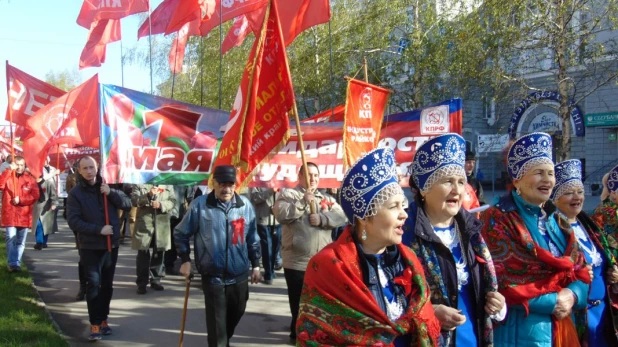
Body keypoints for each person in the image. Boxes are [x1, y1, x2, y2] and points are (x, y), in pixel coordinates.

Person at [296, 148, 440, 346]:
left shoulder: (409, 260)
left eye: (403, 205)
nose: (404, 214)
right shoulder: (328, 266)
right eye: (393, 207)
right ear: (364, 217)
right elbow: (313, 337)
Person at [480, 132, 590, 346]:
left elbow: (581, 270)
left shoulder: (557, 220)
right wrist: (554, 301)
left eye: (550, 173)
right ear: (517, 179)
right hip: (520, 330)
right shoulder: (497, 218)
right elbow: (502, 281)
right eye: (539, 173)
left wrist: (572, 296)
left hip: (563, 328)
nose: (547, 180)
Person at [403, 133, 506, 346]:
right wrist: (429, 313)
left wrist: (497, 305)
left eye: (461, 181)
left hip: (473, 337)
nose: (457, 189)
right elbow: (391, 297)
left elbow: (484, 287)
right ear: (424, 188)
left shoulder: (471, 232)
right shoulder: (404, 233)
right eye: (447, 181)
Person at [175, 165, 261, 347]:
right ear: (213, 183)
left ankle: (223, 339)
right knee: (216, 327)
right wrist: (185, 260)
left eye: (230, 184)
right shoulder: (200, 205)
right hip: (213, 277)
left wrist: (256, 265)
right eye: (222, 184)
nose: (226, 189)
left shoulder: (245, 206)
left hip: (239, 276)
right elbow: (180, 233)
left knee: (235, 314)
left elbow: (253, 237)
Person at [273, 162, 348, 343]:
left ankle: (315, 333)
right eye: (308, 175)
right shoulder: (289, 195)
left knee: (319, 301)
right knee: (298, 301)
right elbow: (281, 214)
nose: (312, 178)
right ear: (300, 177)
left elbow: (341, 216)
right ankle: (298, 334)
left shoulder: (325, 198)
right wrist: (302, 202)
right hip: (297, 261)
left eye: (315, 175)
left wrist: (322, 218)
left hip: (322, 260)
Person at [549, 159, 618, 345]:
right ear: (555, 198)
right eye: (569, 193)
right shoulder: (553, 229)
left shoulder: (588, 225)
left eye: (580, 192)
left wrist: (612, 272)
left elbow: (607, 258)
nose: (577, 197)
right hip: (576, 315)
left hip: (602, 313)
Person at [67, 156, 131, 341]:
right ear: (79, 171)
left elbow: (127, 203)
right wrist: (98, 230)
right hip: (90, 246)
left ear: (97, 168)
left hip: (111, 245)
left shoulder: (107, 187)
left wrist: (111, 192)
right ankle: (95, 323)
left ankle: (104, 319)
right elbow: (73, 221)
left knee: (107, 285)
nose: (89, 171)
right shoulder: (76, 193)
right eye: (85, 168)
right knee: (93, 284)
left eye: (91, 167)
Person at [131, 184, 176, 294]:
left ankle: (156, 279)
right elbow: (134, 200)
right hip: (144, 223)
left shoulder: (168, 184)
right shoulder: (139, 183)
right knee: (143, 253)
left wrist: (161, 204)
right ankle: (142, 282)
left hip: (162, 222)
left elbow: (173, 201)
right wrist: (148, 195)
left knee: (160, 252)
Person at [0, 156, 40, 272]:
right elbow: (0, 185)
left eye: (22, 165)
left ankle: (16, 262)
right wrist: (8, 170)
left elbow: (35, 195)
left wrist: (21, 199)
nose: (19, 167)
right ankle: (13, 263)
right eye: (17, 164)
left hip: (24, 215)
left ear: (24, 166)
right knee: (10, 238)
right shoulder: (8, 176)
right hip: (10, 214)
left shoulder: (30, 179)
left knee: (20, 242)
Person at [249, 187, 281, 285]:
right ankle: (268, 273)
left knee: (276, 247)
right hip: (263, 220)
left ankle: (271, 269)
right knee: (267, 248)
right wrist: (270, 191)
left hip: (278, 220)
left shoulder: (281, 180)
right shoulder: (259, 181)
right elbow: (254, 198)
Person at [164, 185, 195, 275]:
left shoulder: (184, 177)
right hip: (162, 213)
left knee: (174, 241)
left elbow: (190, 196)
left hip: (177, 214)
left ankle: (168, 265)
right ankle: (160, 265)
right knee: (161, 241)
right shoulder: (162, 176)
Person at [32, 174, 58, 250]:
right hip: (36, 207)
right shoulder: (31, 183)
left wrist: (54, 204)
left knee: (46, 226)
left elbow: (53, 195)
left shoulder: (48, 183)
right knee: (38, 225)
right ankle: (39, 242)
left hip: (46, 207)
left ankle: (44, 242)